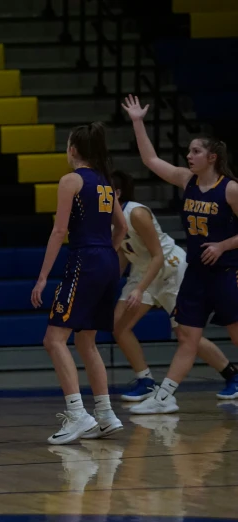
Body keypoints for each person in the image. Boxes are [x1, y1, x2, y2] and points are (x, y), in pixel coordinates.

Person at [122, 95, 238, 414]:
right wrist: (137, 121)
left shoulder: (230, 189)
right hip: (196, 274)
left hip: (226, 274)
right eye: (189, 151)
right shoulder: (186, 181)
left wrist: (223, 245)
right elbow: (150, 160)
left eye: (195, 151)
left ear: (211, 157)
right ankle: (165, 397)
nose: (189, 155)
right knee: (187, 336)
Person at [30, 122, 127, 445]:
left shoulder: (71, 180)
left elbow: (59, 232)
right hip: (108, 262)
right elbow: (122, 227)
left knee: (53, 339)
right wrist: (106, 255)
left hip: (84, 259)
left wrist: (43, 277)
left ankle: (77, 414)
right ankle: (106, 414)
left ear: (73, 149)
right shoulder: (105, 182)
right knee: (86, 342)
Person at [111, 170, 238, 401]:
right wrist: (109, 282)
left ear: (117, 193)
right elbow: (123, 252)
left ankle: (231, 374)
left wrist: (139, 289)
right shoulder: (106, 218)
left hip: (169, 267)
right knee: (119, 325)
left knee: (186, 334)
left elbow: (157, 256)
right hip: (143, 271)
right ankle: (146, 381)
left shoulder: (136, 213)